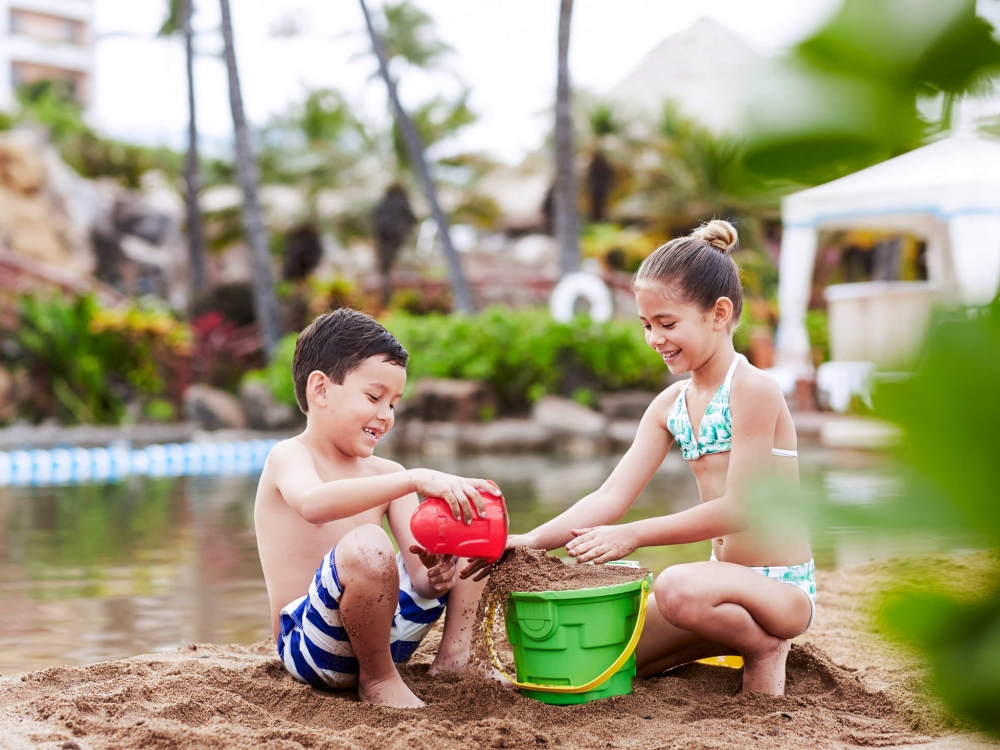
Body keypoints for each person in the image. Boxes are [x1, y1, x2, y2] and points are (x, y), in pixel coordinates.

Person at [463, 220, 814, 695]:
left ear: (719, 313)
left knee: (676, 587)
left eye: (668, 324)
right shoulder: (669, 406)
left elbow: (741, 509)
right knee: (603, 666)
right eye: (646, 325)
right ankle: (731, 637)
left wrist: (633, 536)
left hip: (779, 590)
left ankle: (765, 646)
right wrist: (530, 541)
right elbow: (610, 497)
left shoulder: (753, 390)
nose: (655, 338)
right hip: (719, 587)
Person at [255, 308, 500, 708]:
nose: (385, 416)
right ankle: (379, 681)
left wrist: (439, 574)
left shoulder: (389, 473)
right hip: (313, 647)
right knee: (369, 542)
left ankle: (456, 655)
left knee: (469, 519)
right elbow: (314, 505)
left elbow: (421, 582)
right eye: (373, 397)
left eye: (393, 403)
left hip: (389, 635)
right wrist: (413, 478)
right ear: (320, 389)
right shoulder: (290, 456)